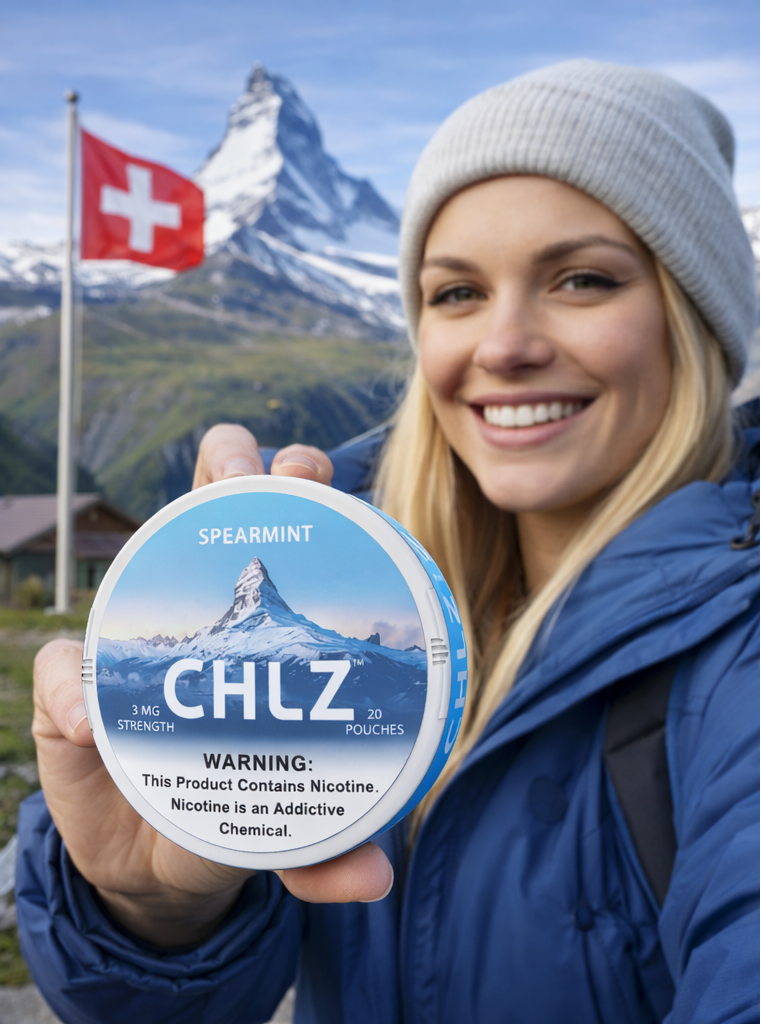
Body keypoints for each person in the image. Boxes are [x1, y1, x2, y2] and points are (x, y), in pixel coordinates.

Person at [16, 59, 759, 1024]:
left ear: (695, 318)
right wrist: (152, 907)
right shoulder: (357, 571)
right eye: (455, 292)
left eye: (582, 279)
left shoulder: (737, 656)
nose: (502, 345)